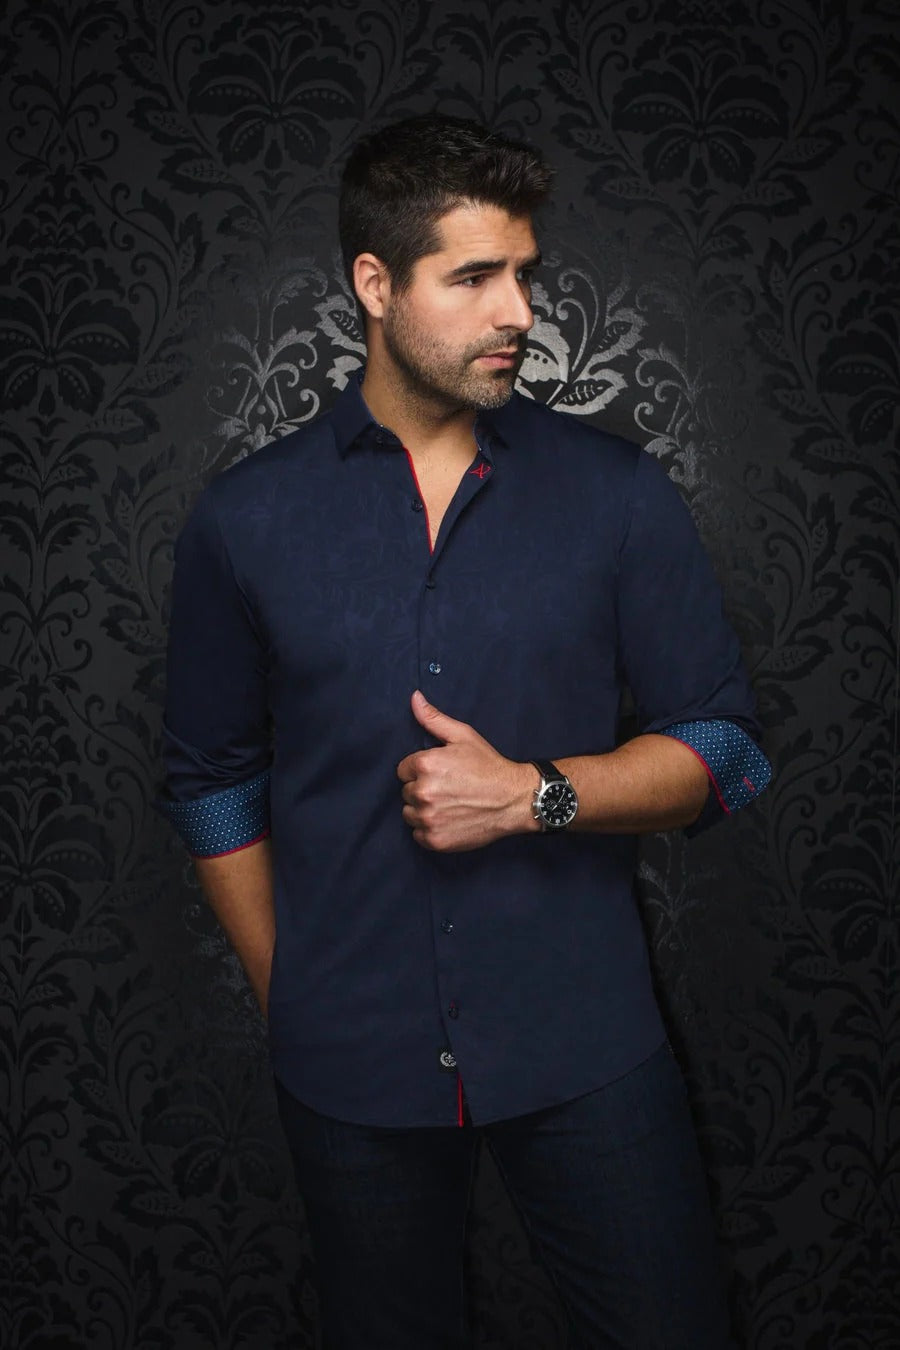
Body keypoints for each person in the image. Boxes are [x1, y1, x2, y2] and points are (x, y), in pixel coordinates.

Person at [161, 114, 771, 1350]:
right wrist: (295, 994)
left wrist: (535, 794)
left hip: (586, 1045)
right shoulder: (243, 521)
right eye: (476, 276)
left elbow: (726, 749)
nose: (519, 312)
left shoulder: (617, 495)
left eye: (525, 273)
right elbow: (213, 780)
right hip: (348, 1062)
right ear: (374, 284)